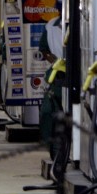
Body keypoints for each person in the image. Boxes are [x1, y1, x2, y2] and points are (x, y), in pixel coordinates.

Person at [38, 15, 65, 159]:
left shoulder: (84, 21)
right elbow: (43, 50)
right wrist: (54, 60)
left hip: (78, 73)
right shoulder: (51, 25)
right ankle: (52, 144)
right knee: (48, 111)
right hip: (58, 73)